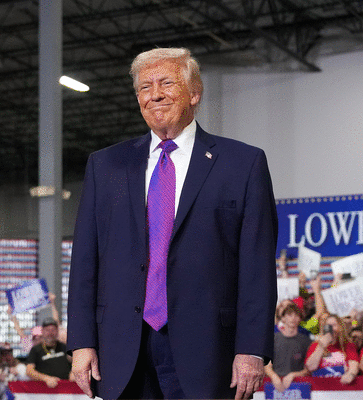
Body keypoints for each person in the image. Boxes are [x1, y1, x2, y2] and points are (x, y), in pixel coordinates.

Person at [67, 47, 278, 400]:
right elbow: (85, 261)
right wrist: (81, 342)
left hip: (211, 352)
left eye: (166, 83)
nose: (155, 95)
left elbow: (257, 268)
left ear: (194, 93)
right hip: (121, 352)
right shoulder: (104, 166)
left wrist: (252, 350)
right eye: (144, 87)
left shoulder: (243, 164)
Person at [265, 303, 311, 392]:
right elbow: (267, 366)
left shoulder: (306, 341)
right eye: (290, 315)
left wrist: (293, 375)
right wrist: (274, 376)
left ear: (300, 319)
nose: (293, 318)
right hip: (274, 385)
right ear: (282, 318)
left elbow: (308, 369)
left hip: (299, 386)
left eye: (296, 315)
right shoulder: (273, 339)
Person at [305, 314, 359, 383]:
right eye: (328, 326)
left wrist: (351, 374)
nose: (331, 329)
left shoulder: (348, 345)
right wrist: (321, 346)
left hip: (342, 383)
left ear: (340, 327)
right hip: (321, 385)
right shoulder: (315, 345)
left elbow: (354, 364)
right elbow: (310, 367)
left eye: (334, 325)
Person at [26, 318, 72, 388]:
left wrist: (73, 372)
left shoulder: (65, 347)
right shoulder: (35, 349)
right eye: (47, 330)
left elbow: (75, 363)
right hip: (44, 389)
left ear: (57, 331)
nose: (50, 333)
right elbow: (29, 371)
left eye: (53, 330)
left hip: (66, 388)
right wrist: (46, 378)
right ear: (42, 331)